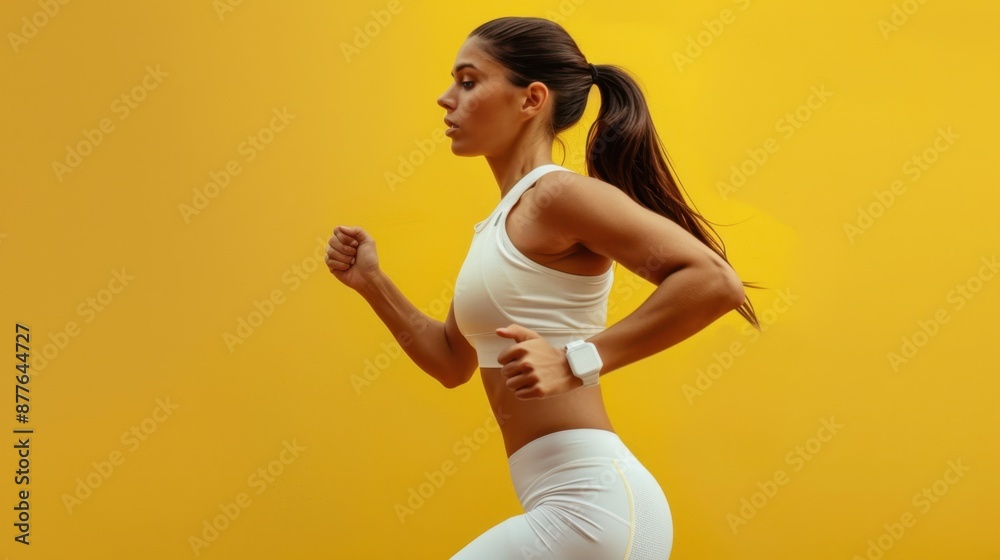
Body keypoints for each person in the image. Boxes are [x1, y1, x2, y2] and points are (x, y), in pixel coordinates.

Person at [326, 16, 760, 560]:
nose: (445, 99)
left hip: (593, 506)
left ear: (532, 99)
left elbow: (714, 282)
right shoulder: (501, 225)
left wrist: (577, 360)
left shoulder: (557, 196)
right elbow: (450, 363)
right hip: (570, 504)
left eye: (467, 81)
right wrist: (372, 284)